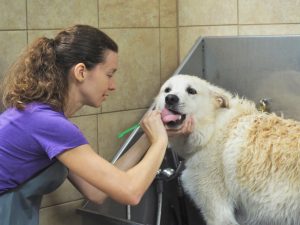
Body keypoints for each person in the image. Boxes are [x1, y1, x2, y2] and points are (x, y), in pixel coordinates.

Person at [0, 24, 193, 225]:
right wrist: (160, 142)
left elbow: (96, 191)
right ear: (81, 72)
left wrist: (150, 137)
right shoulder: (49, 125)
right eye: (109, 74)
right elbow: (131, 192)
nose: (113, 85)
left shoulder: (41, 118)